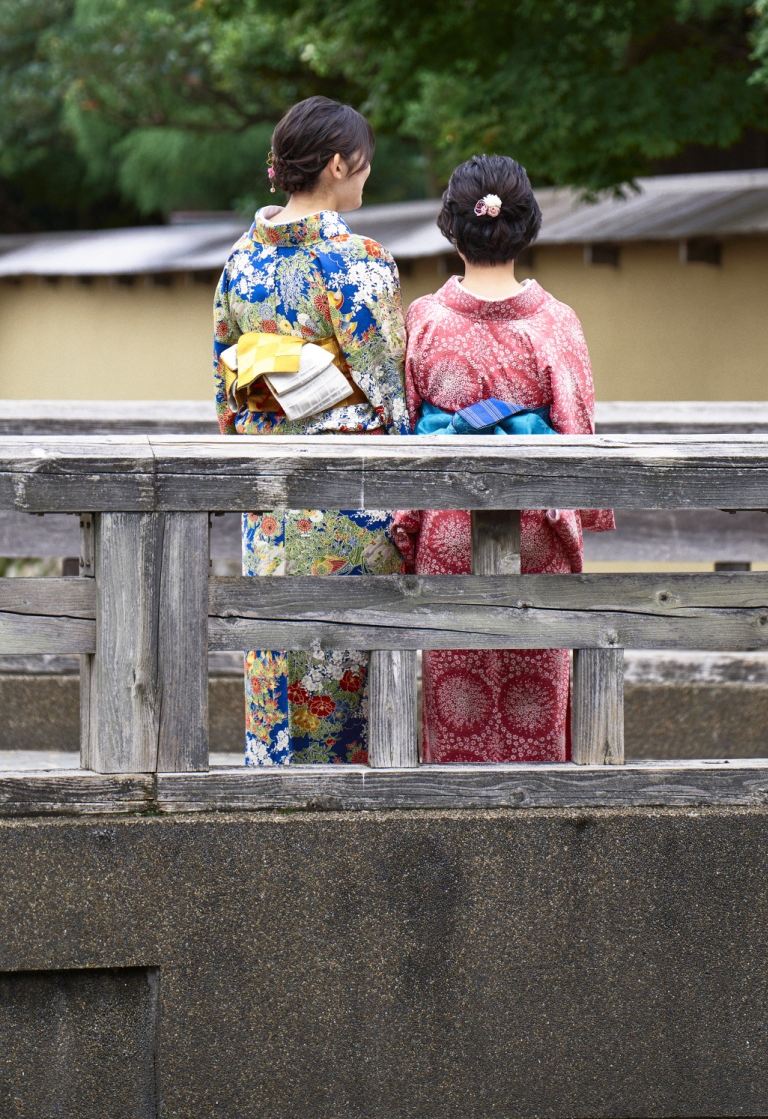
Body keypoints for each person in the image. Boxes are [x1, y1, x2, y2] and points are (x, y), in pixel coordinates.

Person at [392, 155, 613, 763]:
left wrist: (407, 523)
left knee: (453, 692)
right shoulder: (556, 323)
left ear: (451, 226)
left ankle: (457, 834)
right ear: (527, 225)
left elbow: (406, 435)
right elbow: (578, 436)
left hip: (448, 530)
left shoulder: (424, 320)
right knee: (536, 694)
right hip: (534, 533)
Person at [213, 96, 410, 766]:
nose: (365, 176)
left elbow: (226, 393)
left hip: (268, 500)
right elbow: (389, 393)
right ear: (335, 164)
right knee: (348, 664)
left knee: (277, 653)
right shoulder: (355, 260)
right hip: (349, 500)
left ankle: (272, 806)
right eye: (362, 164)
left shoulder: (239, 261)